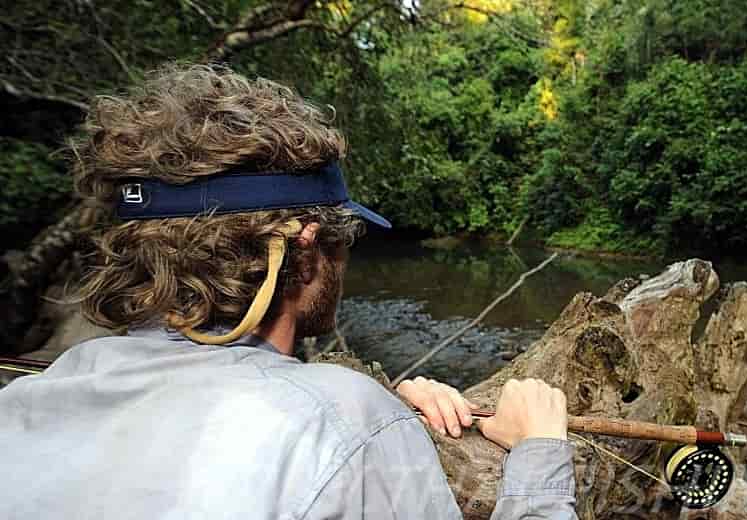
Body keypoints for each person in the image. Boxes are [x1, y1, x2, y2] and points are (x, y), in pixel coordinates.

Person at [0, 64, 577, 519]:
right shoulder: (348, 420)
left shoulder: (26, 401)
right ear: (302, 251)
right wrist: (540, 454)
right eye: (343, 241)